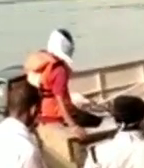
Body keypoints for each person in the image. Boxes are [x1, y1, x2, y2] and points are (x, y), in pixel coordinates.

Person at [24, 29, 103, 160]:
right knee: (99, 121)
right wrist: (73, 126)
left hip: (42, 115)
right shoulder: (59, 70)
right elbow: (59, 100)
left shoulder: (41, 63)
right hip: (58, 116)